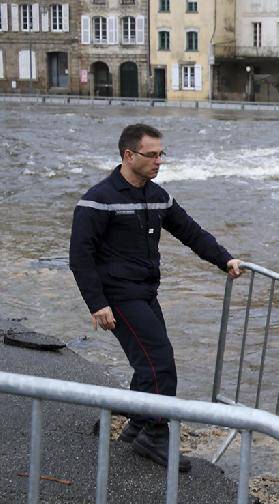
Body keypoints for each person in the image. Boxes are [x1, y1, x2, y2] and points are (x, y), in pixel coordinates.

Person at [70, 123, 243, 473]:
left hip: (146, 292)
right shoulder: (99, 199)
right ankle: (155, 436)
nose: (159, 161)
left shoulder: (157, 195)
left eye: (162, 153)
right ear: (128, 155)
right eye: (152, 154)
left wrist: (224, 259)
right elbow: (80, 256)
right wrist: (97, 304)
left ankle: (137, 425)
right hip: (118, 296)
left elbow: (190, 231)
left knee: (149, 362)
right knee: (159, 362)